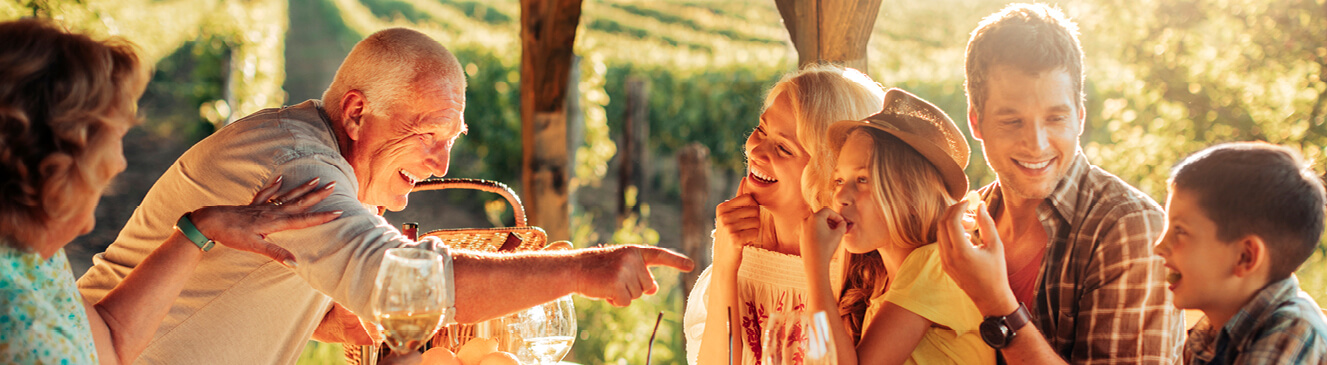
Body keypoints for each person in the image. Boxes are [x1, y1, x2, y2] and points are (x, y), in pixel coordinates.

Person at [76, 27, 694, 363]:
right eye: (426, 135)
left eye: (452, 140)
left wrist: (347, 322)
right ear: (356, 112)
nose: (441, 163)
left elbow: (300, 298)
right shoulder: (298, 169)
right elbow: (397, 282)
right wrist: (586, 268)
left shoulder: (332, 169)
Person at [0, 19, 416, 365]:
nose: (119, 163)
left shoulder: (31, 258)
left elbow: (109, 342)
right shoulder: (17, 321)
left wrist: (200, 228)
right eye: (110, 140)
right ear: (54, 158)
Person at [933, 3, 1185, 364]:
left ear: (1079, 116)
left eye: (1055, 118)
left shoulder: (1127, 227)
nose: (1036, 144)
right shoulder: (963, 227)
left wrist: (997, 305)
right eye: (1012, 121)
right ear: (976, 121)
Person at [684, 65, 884, 365]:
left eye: (783, 148)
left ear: (830, 171)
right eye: (761, 130)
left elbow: (824, 359)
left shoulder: (861, 273)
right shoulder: (741, 247)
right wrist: (725, 263)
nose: (756, 151)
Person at [801, 88, 993, 364]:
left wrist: (815, 267)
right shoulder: (881, 284)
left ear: (911, 196)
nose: (841, 196)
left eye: (863, 180)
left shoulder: (936, 264)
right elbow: (821, 357)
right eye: (839, 181)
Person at [1154, 142, 1327, 364]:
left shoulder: (1291, 332)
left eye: (1179, 231)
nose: (1159, 246)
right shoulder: (1211, 333)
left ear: (1245, 257)